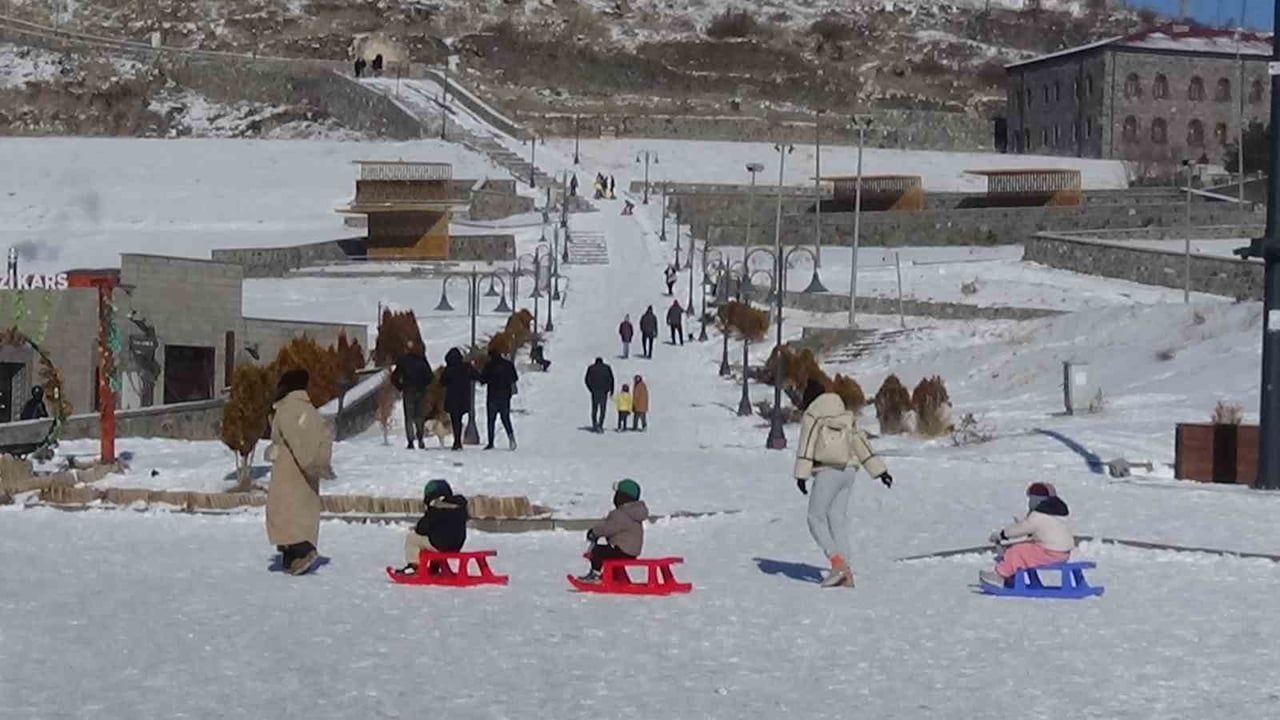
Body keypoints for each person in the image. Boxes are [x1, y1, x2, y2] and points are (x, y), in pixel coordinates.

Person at [793, 379, 892, 588]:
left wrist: (801, 474)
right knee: (837, 518)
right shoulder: (845, 414)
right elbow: (860, 441)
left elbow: (807, 443)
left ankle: (837, 564)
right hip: (849, 470)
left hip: (828, 469)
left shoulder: (813, 414)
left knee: (815, 517)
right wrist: (880, 470)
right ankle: (846, 573)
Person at [266, 369, 335, 576]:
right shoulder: (310, 410)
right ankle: (293, 554)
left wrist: (303, 460)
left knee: (285, 511)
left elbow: (294, 438)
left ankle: (301, 551)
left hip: (289, 468)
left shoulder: (287, 409)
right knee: (302, 510)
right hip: (306, 470)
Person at [980, 483, 1073, 589]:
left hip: (1050, 552)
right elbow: (1043, 531)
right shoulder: (1056, 514)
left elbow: (1021, 529)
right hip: (1063, 553)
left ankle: (1000, 575)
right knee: (1026, 548)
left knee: (1017, 551)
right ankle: (1010, 574)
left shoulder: (1038, 516)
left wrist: (1003, 534)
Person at [577, 479, 649, 583]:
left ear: (621, 497)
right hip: (632, 552)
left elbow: (608, 528)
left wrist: (594, 532)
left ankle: (595, 574)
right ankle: (613, 576)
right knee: (608, 551)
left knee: (598, 551)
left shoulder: (621, 514)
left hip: (622, 551)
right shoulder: (634, 513)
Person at [394, 479, 469, 577]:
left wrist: (428, 511)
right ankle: (434, 568)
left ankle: (413, 566)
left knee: (412, 539)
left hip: (440, 545)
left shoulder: (436, 507)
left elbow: (421, 528)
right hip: (456, 545)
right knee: (434, 539)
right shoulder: (460, 507)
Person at [390, 341, 433, 450]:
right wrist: (424, 385)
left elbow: (394, 377)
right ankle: (420, 438)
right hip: (421, 391)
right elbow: (430, 376)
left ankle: (410, 441)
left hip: (408, 390)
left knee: (409, 417)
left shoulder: (403, 361)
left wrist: (400, 387)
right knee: (419, 416)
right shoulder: (422, 360)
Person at [479, 348, 519, 450]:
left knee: (491, 420)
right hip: (505, 395)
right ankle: (511, 438)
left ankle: (491, 442)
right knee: (505, 418)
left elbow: (483, 380)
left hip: (492, 395)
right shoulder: (508, 364)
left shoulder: (489, 366)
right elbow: (515, 378)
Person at [440, 347, 479, 451]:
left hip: (452, 398)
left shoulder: (448, 369)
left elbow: (442, 382)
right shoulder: (466, 367)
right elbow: (477, 376)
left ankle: (456, 441)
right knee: (459, 419)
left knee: (455, 420)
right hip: (463, 398)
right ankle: (458, 441)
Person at [584, 357, 615, 433]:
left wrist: (591, 389)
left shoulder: (591, 368)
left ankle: (594, 424)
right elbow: (611, 379)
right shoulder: (607, 368)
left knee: (594, 409)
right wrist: (611, 390)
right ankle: (600, 425)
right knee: (602, 410)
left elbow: (586, 380)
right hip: (604, 392)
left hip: (595, 391)